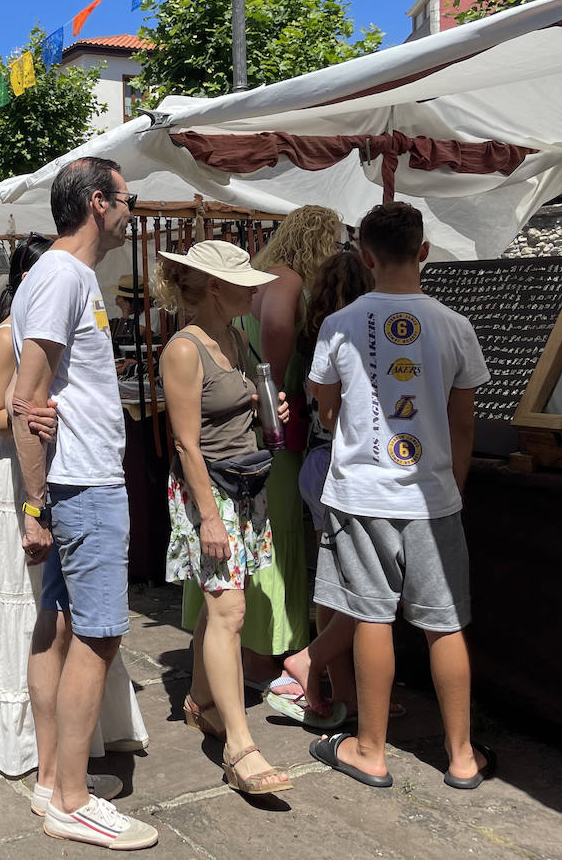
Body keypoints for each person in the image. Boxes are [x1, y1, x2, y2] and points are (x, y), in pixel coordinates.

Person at [306, 202, 494, 790]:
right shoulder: (455, 325)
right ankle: (462, 755)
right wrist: (453, 483)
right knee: (445, 625)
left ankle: (370, 749)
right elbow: (465, 425)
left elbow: (326, 406)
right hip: (432, 494)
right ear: (425, 251)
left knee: (370, 616)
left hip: (361, 492)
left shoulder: (339, 324)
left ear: (364, 256)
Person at [11, 156, 159, 849]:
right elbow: (25, 397)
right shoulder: (64, 274)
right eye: (127, 198)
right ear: (99, 202)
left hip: (78, 477)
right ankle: (70, 798)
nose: (132, 209)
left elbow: (45, 391)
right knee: (98, 632)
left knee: (64, 623)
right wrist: (34, 503)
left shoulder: (64, 276)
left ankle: (53, 780)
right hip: (84, 482)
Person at [0, 234, 150, 787]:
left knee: (52, 614)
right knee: (31, 608)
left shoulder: (43, 327)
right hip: (12, 472)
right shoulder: (8, 337)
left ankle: (58, 760)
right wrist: (45, 416)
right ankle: (41, 757)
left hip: (41, 465)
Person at [184, 205, 341, 691]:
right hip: (275, 431)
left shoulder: (261, 278)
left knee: (259, 537)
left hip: (259, 426)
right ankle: (264, 656)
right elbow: (274, 345)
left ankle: (248, 656)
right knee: (276, 536)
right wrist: (276, 402)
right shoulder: (287, 280)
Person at [158, 240, 292, 797]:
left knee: (222, 606)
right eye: (244, 281)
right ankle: (239, 745)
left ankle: (203, 700)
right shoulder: (184, 350)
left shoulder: (236, 338)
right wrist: (209, 518)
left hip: (244, 484)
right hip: (206, 493)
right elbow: (187, 444)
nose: (255, 288)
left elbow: (236, 412)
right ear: (215, 286)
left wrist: (269, 410)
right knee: (229, 610)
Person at [266, 250, 375, 726]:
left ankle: (340, 690)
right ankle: (324, 671)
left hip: (313, 462)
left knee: (329, 586)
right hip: (345, 468)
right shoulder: (362, 337)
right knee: (363, 588)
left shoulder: (315, 336)